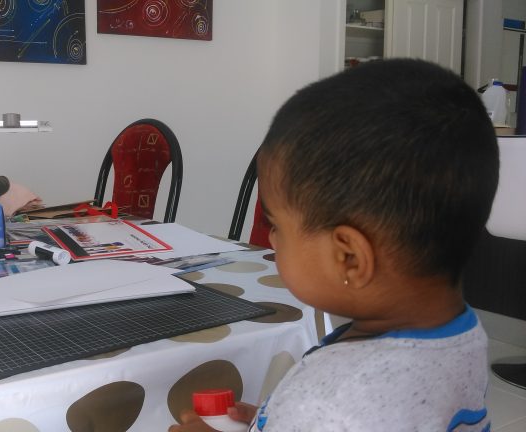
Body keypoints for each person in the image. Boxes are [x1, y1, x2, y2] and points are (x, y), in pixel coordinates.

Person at [170, 58, 498, 431]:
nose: (271, 239)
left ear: (349, 257)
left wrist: (300, 417)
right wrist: (277, 420)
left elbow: (340, 412)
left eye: (275, 225)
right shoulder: (463, 334)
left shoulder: (329, 400)